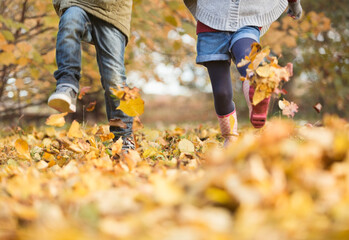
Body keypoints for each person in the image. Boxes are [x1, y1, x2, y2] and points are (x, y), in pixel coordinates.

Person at [183, 0, 302, 146]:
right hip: (212, 21)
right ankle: (230, 136)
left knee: (248, 57)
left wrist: (294, 4)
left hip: (248, 17)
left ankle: (257, 86)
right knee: (222, 93)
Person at [48, 0, 135, 149]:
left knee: (114, 80)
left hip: (113, 11)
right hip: (77, 2)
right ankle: (67, 85)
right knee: (70, 21)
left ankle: (124, 140)